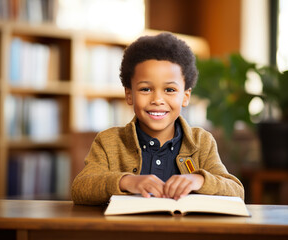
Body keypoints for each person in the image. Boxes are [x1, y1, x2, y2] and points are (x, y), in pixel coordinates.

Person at [71, 32, 244, 205]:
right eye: (146, 89)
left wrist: (199, 180)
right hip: (128, 231)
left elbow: (236, 191)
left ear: (185, 96)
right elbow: (81, 188)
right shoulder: (109, 141)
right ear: (129, 94)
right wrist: (127, 182)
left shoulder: (201, 142)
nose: (157, 100)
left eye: (169, 90)